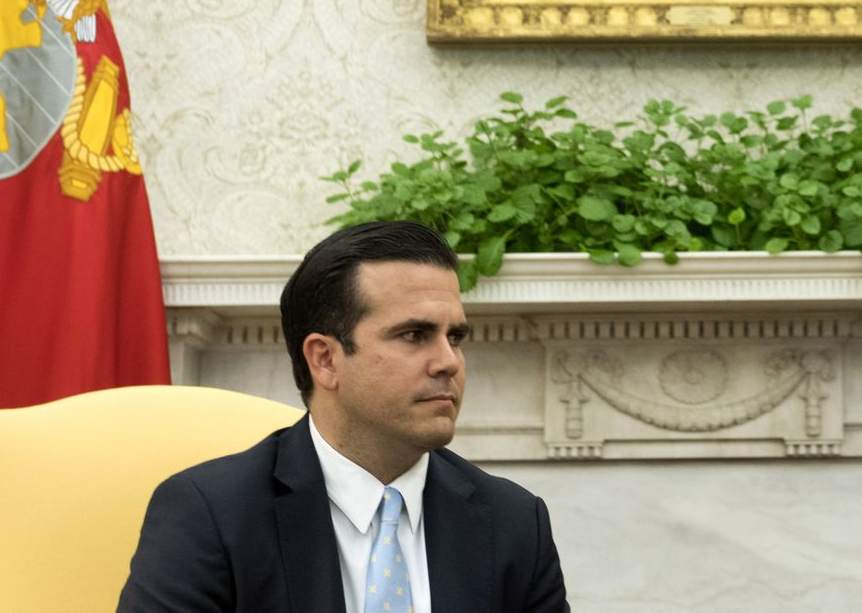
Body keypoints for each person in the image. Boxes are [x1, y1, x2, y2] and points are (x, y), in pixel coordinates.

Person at [119, 222, 568, 612]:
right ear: (326, 359)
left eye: (456, 337)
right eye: (415, 335)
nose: (448, 361)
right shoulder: (211, 514)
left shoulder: (513, 522)